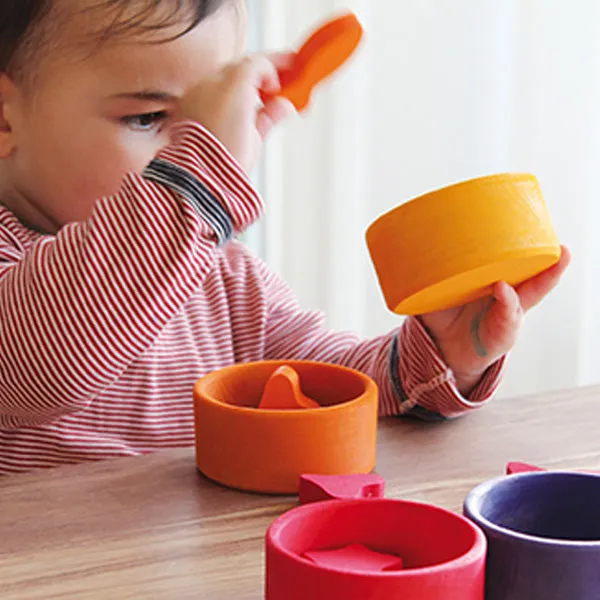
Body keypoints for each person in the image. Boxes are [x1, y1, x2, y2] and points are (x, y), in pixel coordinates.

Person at [0, 0, 570, 474]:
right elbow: (43, 360)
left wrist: (440, 356)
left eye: (209, 122)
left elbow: (335, 392)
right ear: (4, 120)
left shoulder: (226, 278)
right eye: (148, 118)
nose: (191, 153)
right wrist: (199, 176)